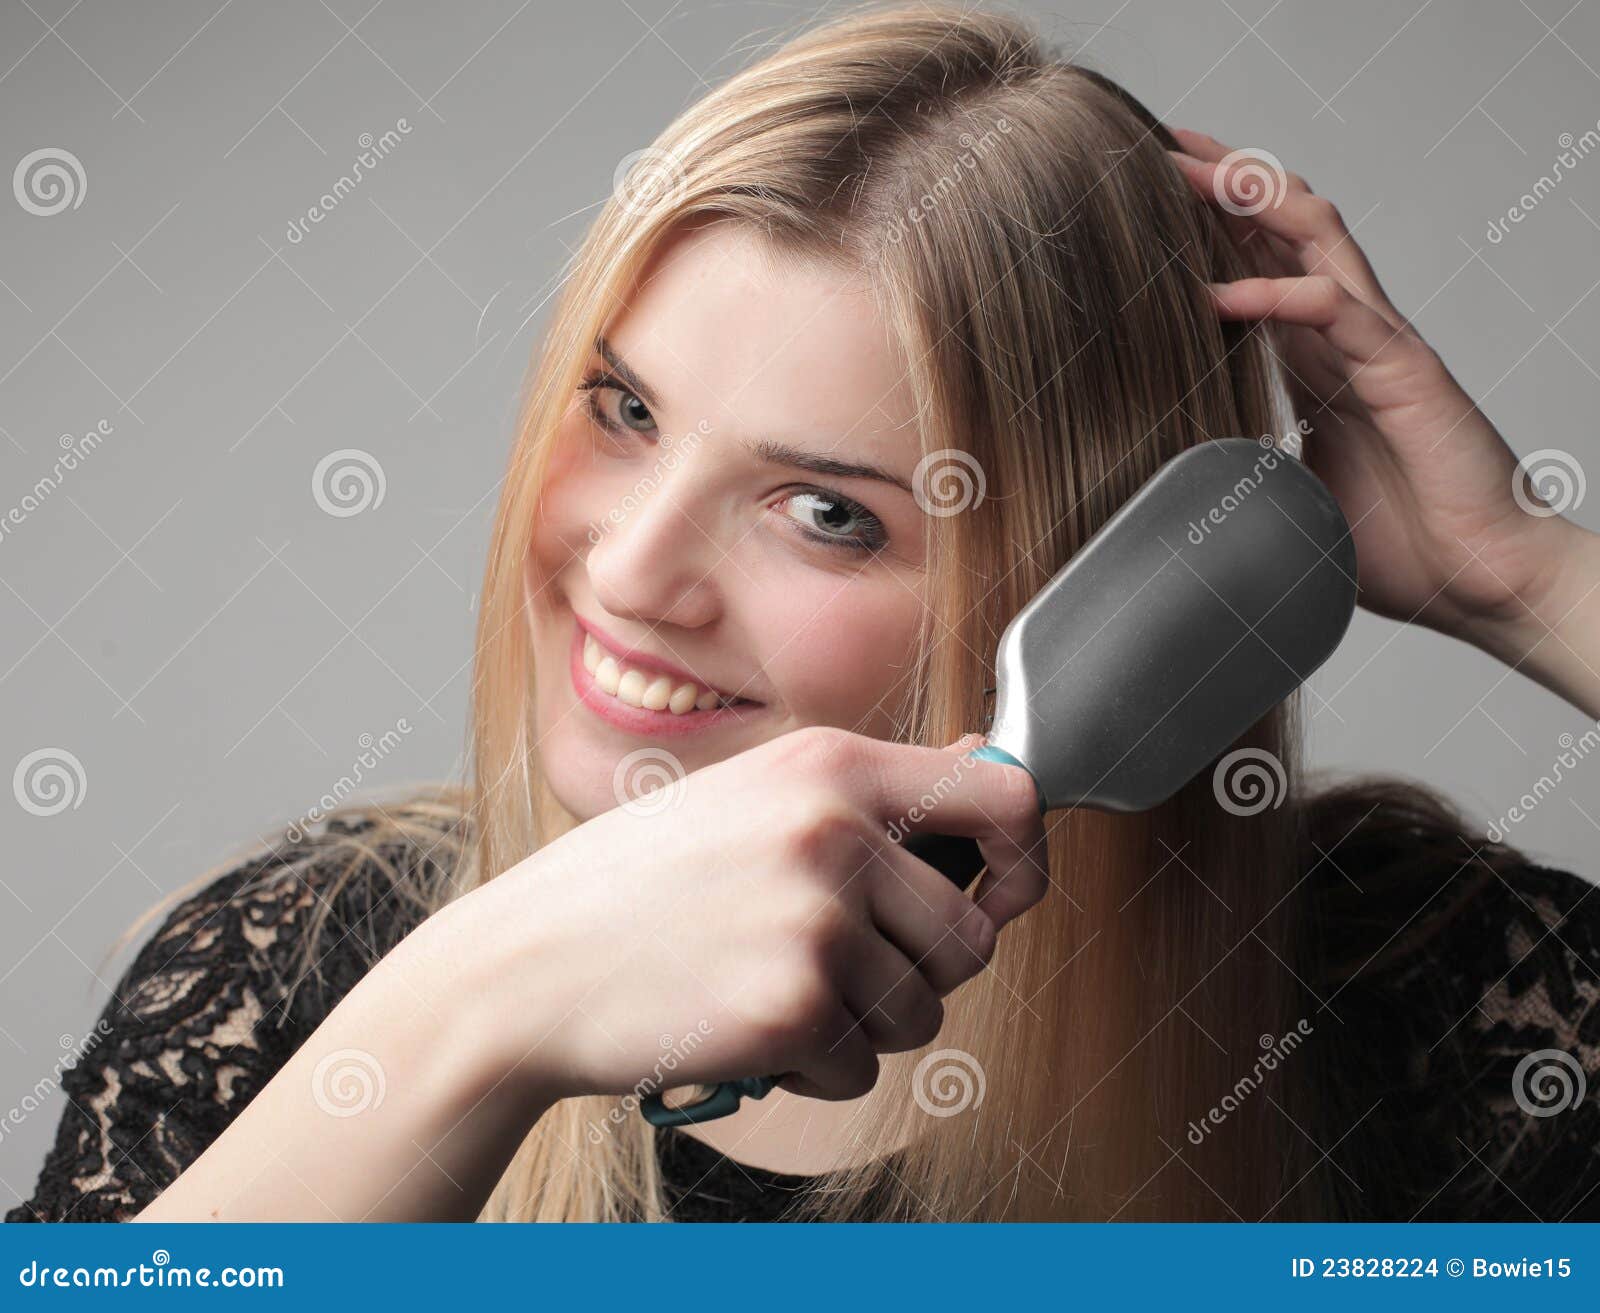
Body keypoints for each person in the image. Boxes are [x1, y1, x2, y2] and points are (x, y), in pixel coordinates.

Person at [9, 2, 1600, 1224]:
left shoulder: (1419, 991)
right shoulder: (297, 975)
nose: (630, 571)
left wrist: (1522, 577)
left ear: (1112, 588)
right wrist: (483, 1006)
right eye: (624, 410)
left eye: (827, 511)